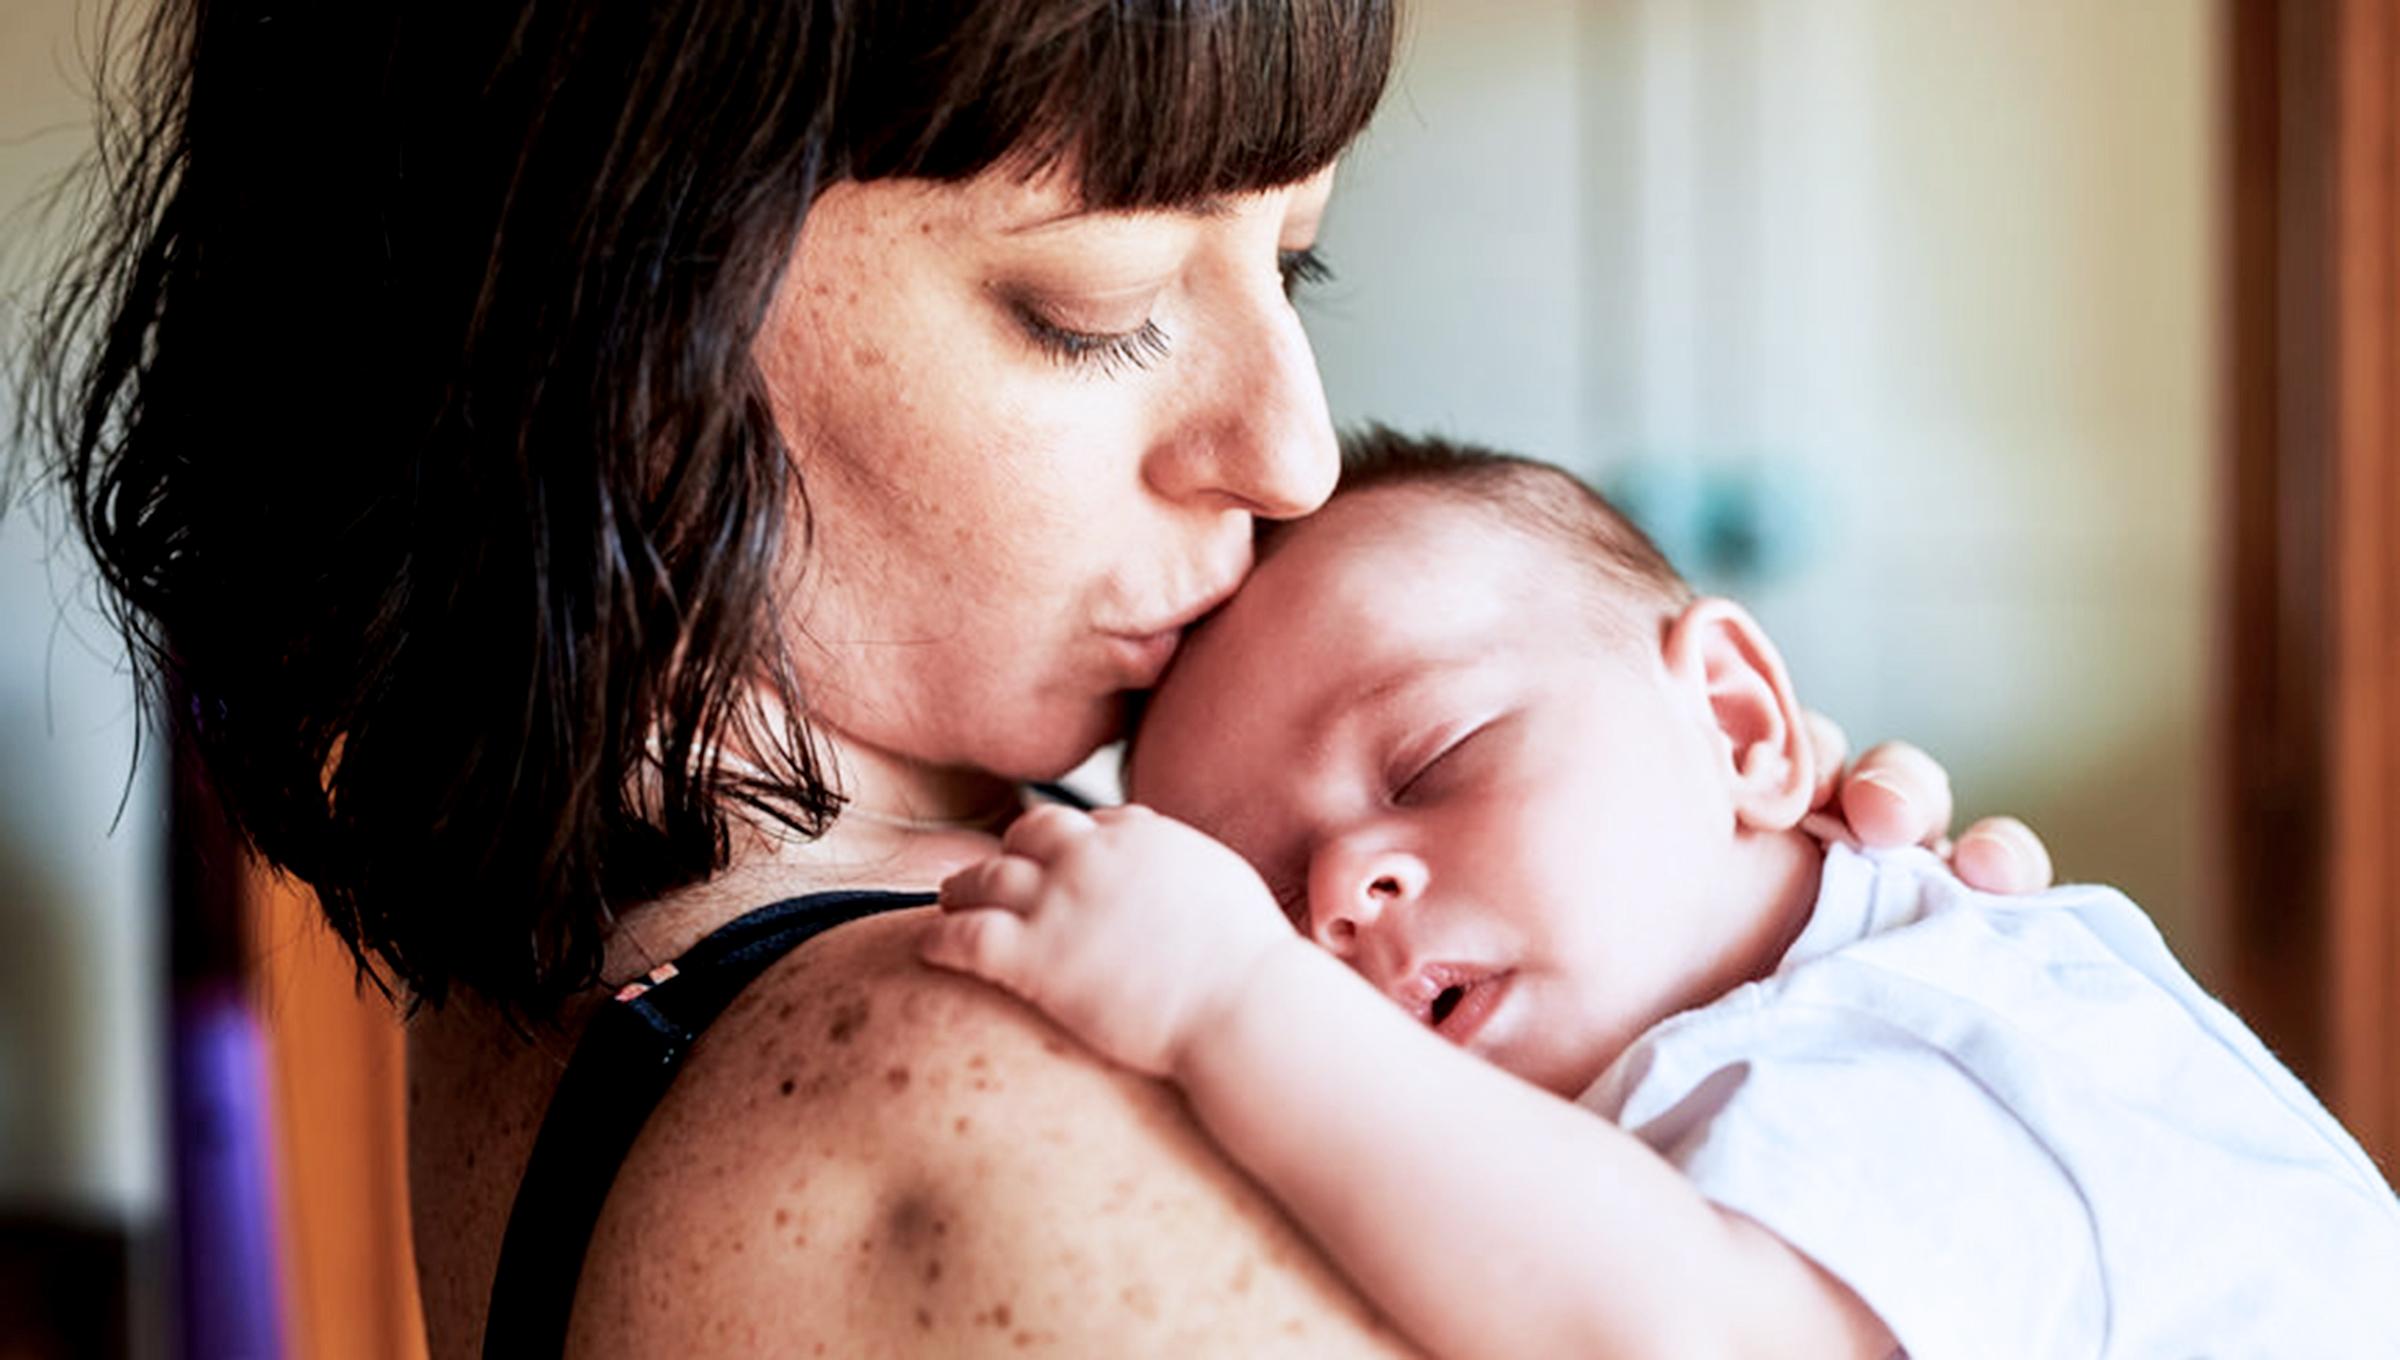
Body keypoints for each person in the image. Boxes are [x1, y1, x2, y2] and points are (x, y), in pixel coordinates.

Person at [28, 3, 2057, 1355]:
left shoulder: (745, 898)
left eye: (1296, 265)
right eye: (1095, 307)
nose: (1293, 447)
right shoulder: (963, 1091)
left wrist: (1772, 1007)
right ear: (608, 317)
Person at [924, 432, 2400, 1359]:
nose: (1338, 894)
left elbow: (1675, 1330)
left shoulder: (1889, 1048)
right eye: (1253, 900)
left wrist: (1226, 997)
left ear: (1745, 726)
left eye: (1429, 764)